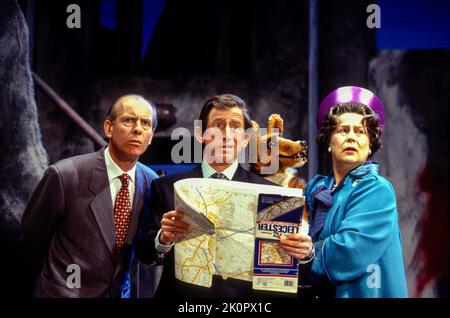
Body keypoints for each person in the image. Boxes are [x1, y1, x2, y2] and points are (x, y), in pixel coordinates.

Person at [135, 94, 313, 298]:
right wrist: (163, 238)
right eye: (218, 125)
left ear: (246, 139)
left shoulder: (271, 194)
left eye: (235, 126)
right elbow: (144, 253)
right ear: (200, 134)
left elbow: (291, 268)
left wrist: (305, 253)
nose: (227, 134)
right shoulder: (167, 187)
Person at [21, 95, 159, 298]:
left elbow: (143, 251)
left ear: (151, 136)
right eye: (128, 120)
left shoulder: (151, 182)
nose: (137, 128)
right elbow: (31, 242)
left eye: (145, 123)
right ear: (108, 128)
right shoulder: (64, 175)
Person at [281, 86, 408, 297]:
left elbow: (351, 250)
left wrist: (310, 253)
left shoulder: (376, 188)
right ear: (329, 142)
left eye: (360, 131)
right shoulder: (317, 189)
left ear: (370, 146)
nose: (351, 137)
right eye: (342, 130)